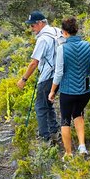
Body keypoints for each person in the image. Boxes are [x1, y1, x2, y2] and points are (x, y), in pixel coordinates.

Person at [48, 17, 90, 158]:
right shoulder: (88, 45)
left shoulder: (62, 49)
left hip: (68, 91)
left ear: (64, 32)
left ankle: (68, 153)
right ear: (76, 30)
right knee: (78, 113)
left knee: (65, 119)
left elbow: (58, 74)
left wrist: (52, 91)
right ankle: (82, 147)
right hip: (85, 90)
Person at [17, 11, 61, 143]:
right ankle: (54, 131)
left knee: (40, 106)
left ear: (41, 23)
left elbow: (34, 62)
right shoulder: (57, 31)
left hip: (48, 76)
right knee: (49, 102)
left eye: (33, 26)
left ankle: (45, 137)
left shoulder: (43, 39)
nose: (31, 29)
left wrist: (23, 79)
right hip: (60, 75)